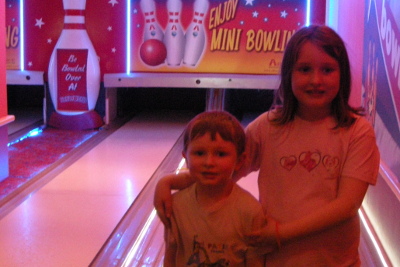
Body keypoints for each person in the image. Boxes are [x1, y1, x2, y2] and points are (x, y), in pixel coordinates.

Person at [155, 25, 380, 266]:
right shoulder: (268, 127)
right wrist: (167, 182)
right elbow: (222, 170)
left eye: (327, 70)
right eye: (304, 69)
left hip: (335, 260)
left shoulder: (357, 131)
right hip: (275, 259)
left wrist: (281, 234)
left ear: (342, 74)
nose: (316, 80)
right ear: (288, 75)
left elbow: (348, 205)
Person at [163, 111, 268, 267]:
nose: (209, 162)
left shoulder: (251, 212)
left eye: (220, 154)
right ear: (186, 158)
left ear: (240, 161)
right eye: (199, 153)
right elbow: (170, 256)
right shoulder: (176, 206)